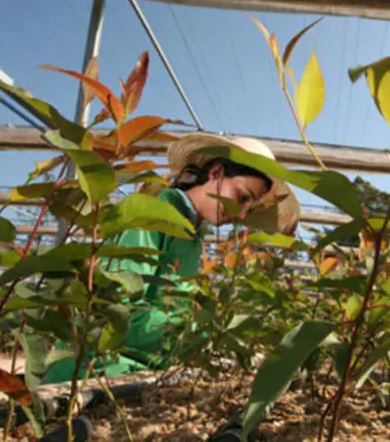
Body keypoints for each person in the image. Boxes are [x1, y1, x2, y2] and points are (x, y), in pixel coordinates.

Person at [42, 134, 300, 384]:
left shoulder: (193, 238)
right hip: (88, 372)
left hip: (133, 371)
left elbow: (175, 307)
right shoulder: (152, 215)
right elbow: (122, 315)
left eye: (249, 207)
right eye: (242, 198)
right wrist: (203, 335)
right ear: (216, 173)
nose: (241, 214)